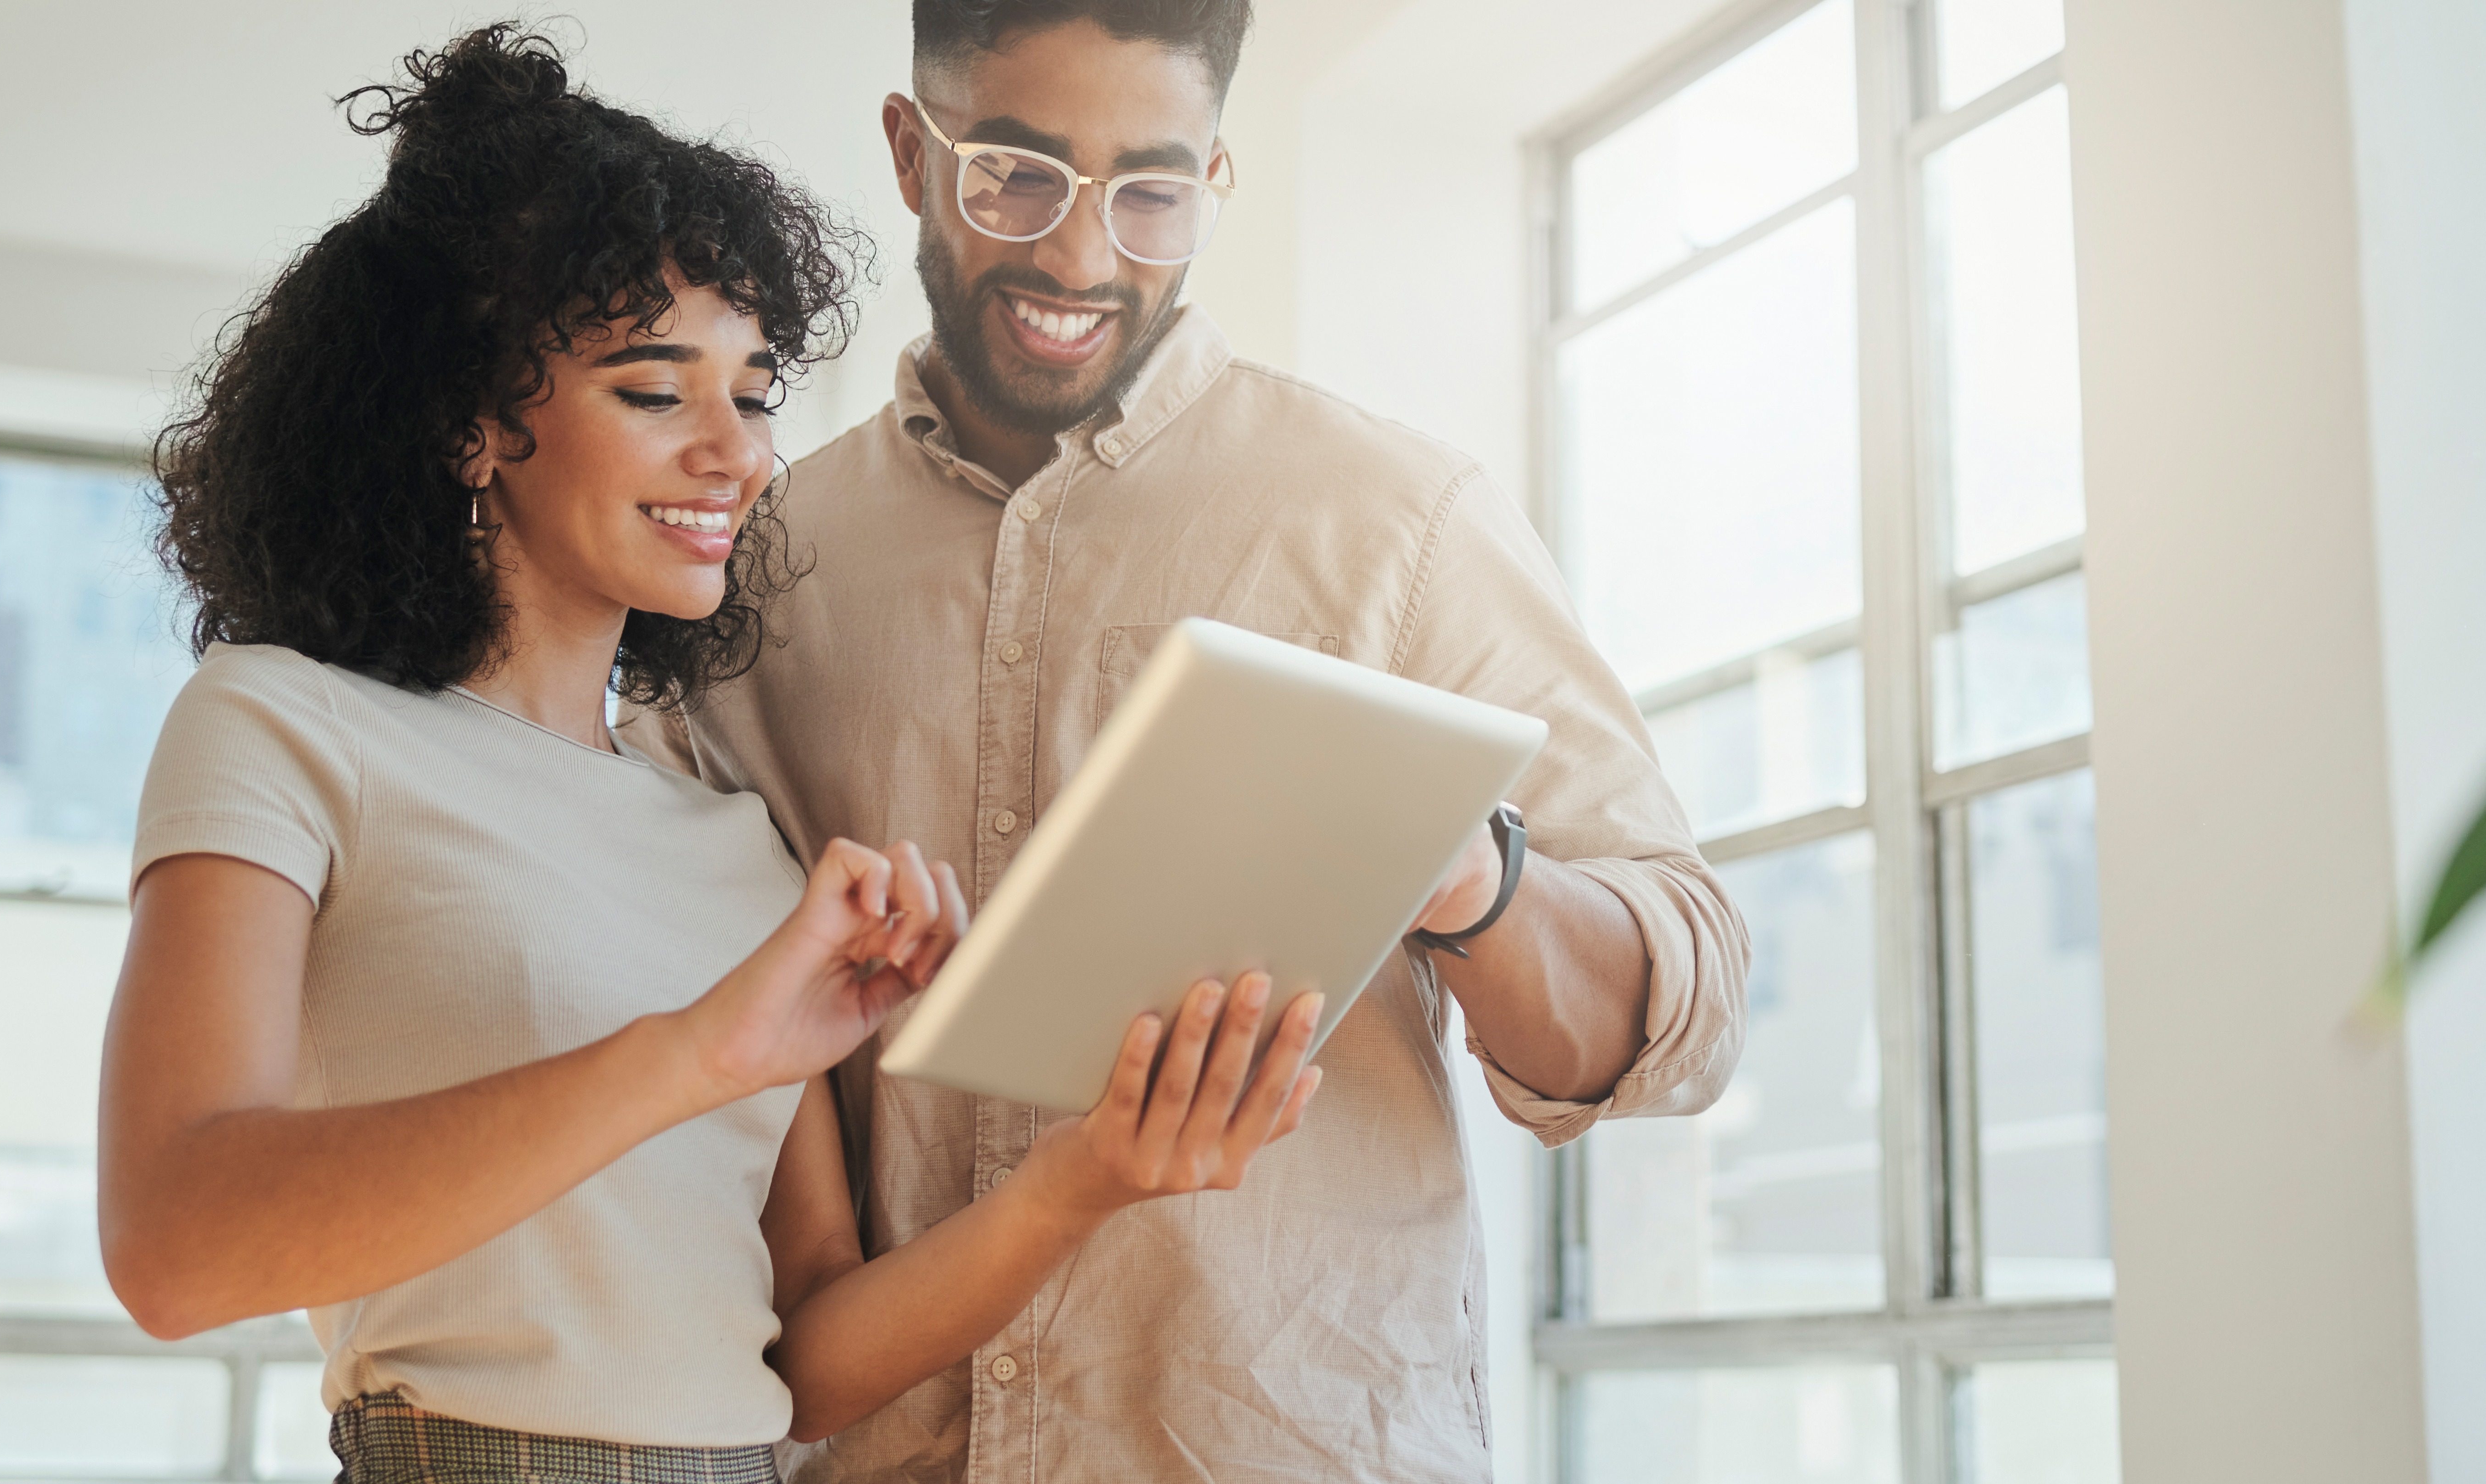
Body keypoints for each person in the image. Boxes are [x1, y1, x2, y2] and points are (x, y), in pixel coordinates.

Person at [99, 26, 1319, 1482]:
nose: (738, 455)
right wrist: (698, 1052)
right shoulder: (284, 727)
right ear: (468, 423)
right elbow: (175, 1246)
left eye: (751, 394)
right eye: (653, 389)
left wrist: (1084, 1182)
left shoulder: (730, 839)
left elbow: (801, 1359)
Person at [616, 2, 1752, 1479]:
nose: (1084, 259)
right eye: (1015, 175)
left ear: (1214, 178)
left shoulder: (1395, 524)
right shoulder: (753, 567)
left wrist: (1470, 882)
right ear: (912, 154)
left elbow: (1687, 1016)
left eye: (1152, 192)